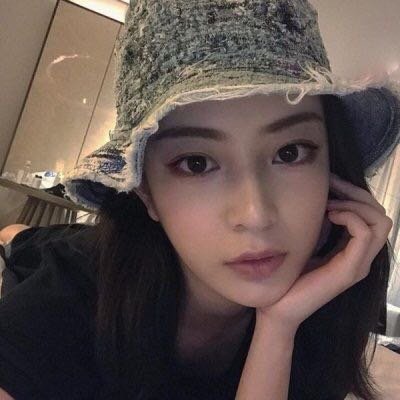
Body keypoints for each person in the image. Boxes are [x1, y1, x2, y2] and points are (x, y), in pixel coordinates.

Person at [0, 1, 400, 399]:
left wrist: (278, 328)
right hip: (63, 249)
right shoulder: (52, 321)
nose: (255, 215)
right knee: (19, 237)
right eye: (196, 164)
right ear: (145, 191)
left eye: (290, 152)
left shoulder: (326, 316)